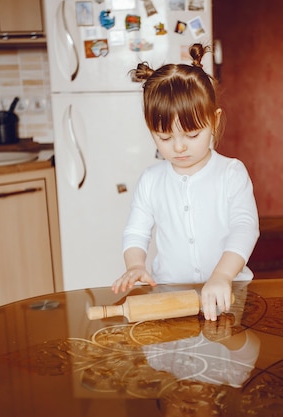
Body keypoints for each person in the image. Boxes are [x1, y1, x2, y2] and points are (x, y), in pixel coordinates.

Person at [111, 43, 260, 321]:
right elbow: (136, 232)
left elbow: (245, 228)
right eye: (164, 137)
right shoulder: (151, 181)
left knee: (232, 357)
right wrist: (135, 265)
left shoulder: (231, 173)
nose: (178, 147)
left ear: (214, 122)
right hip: (172, 296)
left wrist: (222, 275)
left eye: (191, 135)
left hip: (229, 293)